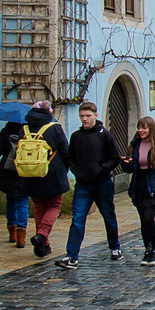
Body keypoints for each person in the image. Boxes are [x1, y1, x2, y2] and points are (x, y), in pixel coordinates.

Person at [55, 101, 125, 270]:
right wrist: (75, 169)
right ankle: (72, 256)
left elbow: (115, 158)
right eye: (82, 116)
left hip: (102, 183)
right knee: (77, 219)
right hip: (82, 185)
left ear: (95, 115)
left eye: (87, 116)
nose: (84, 119)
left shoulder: (105, 135)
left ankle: (115, 247)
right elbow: (70, 156)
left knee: (108, 216)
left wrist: (101, 169)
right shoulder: (76, 136)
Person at [123, 116, 155, 267]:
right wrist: (125, 163)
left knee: (148, 218)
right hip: (139, 186)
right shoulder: (135, 145)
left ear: (151, 129)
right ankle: (148, 249)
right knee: (143, 221)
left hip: (154, 186)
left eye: (144, 128)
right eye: (139, 128)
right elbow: (130, 169)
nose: (141, 130)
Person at [22, 101, 70, 258]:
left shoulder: (24, 128)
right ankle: (42, 235)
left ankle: (43, 246)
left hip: (30, 173)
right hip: (52, 173)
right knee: (54, 205)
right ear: (49, 112)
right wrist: (66, 170)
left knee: (39, 207)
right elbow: (65, 152)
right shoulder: (54, 128)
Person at [0, 120, 31, 248]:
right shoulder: (30, 131)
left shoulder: (7, 130)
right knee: (23, 201)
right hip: (25, 170)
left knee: (11, 200)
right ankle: (21, 238)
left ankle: (12, 233)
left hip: (8, 170)